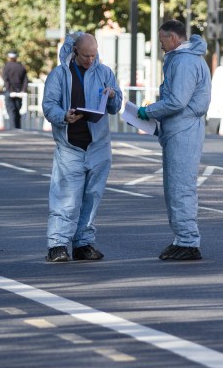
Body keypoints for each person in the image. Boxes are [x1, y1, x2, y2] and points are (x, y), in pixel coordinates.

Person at [41, 32, 121, 263]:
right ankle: (57, 245)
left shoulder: (104, 72)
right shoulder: (59, 75)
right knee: (65, 198)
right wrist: (63, 116)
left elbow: (115, 106)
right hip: (70, 146)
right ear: (75, 51)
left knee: (92, 197)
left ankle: (83, 243)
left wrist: (114, 94)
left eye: (93, 55)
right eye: (85, 55)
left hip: (98, 146)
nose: (90, 60)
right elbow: (49, 105)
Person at [136, 19, 211, 261]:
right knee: (176, 188)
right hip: (182, 128)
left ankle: (188, 242)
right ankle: (182, 238)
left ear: (173, 38)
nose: (161, 47)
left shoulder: (185, 61)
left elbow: (177, 101)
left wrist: (150, 111)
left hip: (183, 129)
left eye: (162, 41)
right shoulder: (186, 59)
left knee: (180, 188)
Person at [1, 51, 28, 129]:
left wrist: (10, 90)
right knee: (17, 110)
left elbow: (6, 79)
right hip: (19, 91)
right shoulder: (21, 66)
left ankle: (12, 127)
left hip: (9, 91)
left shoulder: (6, 66)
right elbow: (25, 80)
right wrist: (23, 90)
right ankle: (18, 127)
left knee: (11, 110)